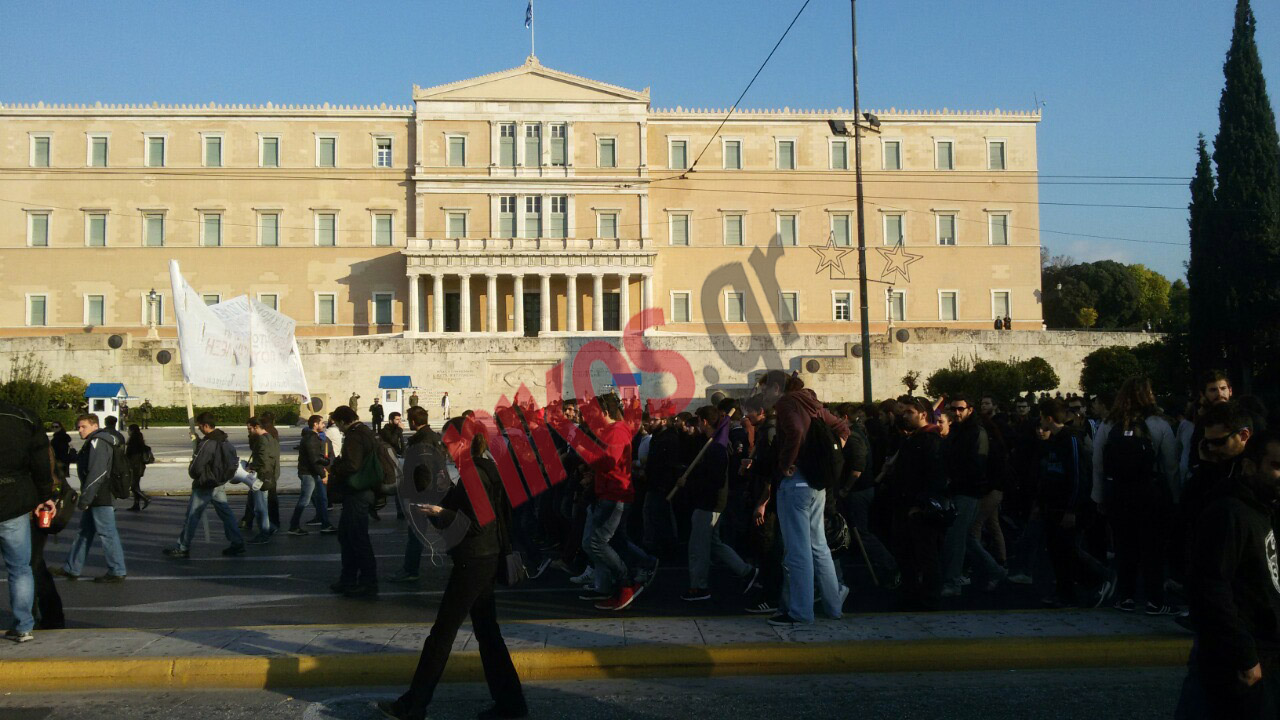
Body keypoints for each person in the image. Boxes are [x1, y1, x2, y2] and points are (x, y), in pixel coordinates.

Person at [378, 416, 526, 720]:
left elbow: (472, 523)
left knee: (442, 635)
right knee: (488, 633)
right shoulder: (484, 467)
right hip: (485, 556)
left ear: (462, 442)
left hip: (473, 561)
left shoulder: (474, 473)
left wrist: (439, 512)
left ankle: (414, 705)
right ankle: (512, 703)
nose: (445, 449)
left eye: (448, 443)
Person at [1175, 430, 1280, 718]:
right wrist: (1245, 658)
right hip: (1242, 663)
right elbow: (1210, 591)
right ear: (1249, 466)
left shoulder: (1265, 509)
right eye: (1275, 465)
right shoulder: (1229, 514)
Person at [759, 370, 848, 626]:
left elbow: (796, 431)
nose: (764, 394)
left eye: (765, 389)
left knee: (797, 551)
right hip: (816, 483)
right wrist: (824, 458)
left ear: (776, 388)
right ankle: (833, 607)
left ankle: (800, 612)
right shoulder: (812, 403)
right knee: (819, 546)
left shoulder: (787, 402)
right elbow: (843, 429)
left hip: (796, 483)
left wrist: (787, 462)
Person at [1093, 378, 1179, 615]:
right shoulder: (1159, 424)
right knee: (1153, 548)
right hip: (1150, 493)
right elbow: (1170, 465)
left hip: (1118, 493)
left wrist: (1099, 496)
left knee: (1124, 546)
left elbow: (1098, 464)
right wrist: (1175, 496)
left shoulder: (1109, 423)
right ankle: (1155, 600)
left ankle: (1126, 597)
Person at [578, 394, 658, 612]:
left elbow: (609, 462)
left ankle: (626, 582)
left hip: (614, 496)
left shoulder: (616, 431)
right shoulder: (611, 431)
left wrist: (583, 451)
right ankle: (609, 583)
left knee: (597, 543)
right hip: (607, 494)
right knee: (613, 541)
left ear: (604, 413)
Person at [682, 405, 758, 602]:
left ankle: (699, 587)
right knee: (714, 543)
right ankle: (746, 571)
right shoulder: (713, 444)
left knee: (698, 547)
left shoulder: (716, 448)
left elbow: (713, 480)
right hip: (713, 503)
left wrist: (688, 481)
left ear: (704, 422)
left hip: (708, 503)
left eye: (698, 421)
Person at [1036, 399, 1103, 608]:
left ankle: (1098, 578)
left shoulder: (1070, 439)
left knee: (1069, 550)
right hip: (1053, 504)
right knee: (1057, 550)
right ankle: (1065, 591)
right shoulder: (1054, 440)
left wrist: (1071, 509)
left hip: (1067, 506)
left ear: (1048, 418)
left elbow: (1077, 476)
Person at [883, 396, 948, 611]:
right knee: (906, 554)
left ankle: (930, 598)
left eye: (910, 412)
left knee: (925, 554)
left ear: (922, 414)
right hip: (904, 504)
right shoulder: (914, 438)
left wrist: (921, 505)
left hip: (919, 509)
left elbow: (934, 476)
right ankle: (911, 594)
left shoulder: (930, 440)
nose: (905, 415)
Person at [0, 398, 56, 643]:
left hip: (15, 497)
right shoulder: (24, 417)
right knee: (20, 568)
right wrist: (46, 495)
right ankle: (23, 625)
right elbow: (42, 463)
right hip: (15, 499)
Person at [941, 395, 1006, 596]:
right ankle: (996, 571)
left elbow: (977, 464)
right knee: (966, 538)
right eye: (954, 409)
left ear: (970, 409)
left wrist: (955, 481)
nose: (957, 412)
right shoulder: (959, 431)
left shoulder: (976, 432)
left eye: (961, 409)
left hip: (969, 491)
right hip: (961, 490)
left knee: (956, 537)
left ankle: (953, 583)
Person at [55, 414, 127, 583]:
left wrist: (86, 498)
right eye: (78, 426)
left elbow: (97, 472)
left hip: (100, 494)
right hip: (97, 493)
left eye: (83, 426)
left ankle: (117, 570)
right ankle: (72, 568)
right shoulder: (97, 440)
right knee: (84, 532)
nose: (79, 430)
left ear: (95, 426)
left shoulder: (97, 442)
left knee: (107, 533)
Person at [165, 413, 245, 558]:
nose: (199, 428)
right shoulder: (225, 441)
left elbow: (196, 466)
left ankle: (183, 547)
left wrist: (194, 473)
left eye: (200, 426)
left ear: (205, 426)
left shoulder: (207, 443)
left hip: (205, 484)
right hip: (219, 482)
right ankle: (237, 542)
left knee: (192, 516)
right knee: (226, 514)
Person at [389, 406, 444, 585]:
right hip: (431, 491)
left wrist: (419, 496)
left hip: (423, 494)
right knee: (438, 527)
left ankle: (411, 570)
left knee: (416, 533)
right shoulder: (432, 437)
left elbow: (425, 470)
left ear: (413, 421)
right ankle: (410, 568)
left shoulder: (423, 440)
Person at [329, 405, 379, 599]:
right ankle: (348, 578)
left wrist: (336, 469)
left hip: (358, 491)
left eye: (338, 424)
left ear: (342, 421)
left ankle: (367, 582)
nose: (339, 429)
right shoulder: (365, 431)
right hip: (363, 490)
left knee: (356, 538)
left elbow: (352, 464)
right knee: (348, 536)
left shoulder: (355, 435)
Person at [289, 415, 335, 535]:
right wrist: (323, 474)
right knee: (305, 500)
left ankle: (325, 523)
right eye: (322, 423)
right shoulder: (311, 438)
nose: (324, 425)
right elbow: (314, 459)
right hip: (309, 473)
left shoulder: (312, 437)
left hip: (311, 472)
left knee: (320, 499)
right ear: (315, 424)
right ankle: (293, 525)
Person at [244, 418, 280, 544]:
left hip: (261, 477)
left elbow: (263, 460)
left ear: (256, 426)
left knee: (260, 508)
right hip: (269, 476)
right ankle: (270, 527)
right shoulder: (271, 438)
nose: (249, 432)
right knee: (261, 505)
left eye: (250, 429)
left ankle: (264, 533)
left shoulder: (262, 440)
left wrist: (251, 467)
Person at [125, 424, 152, 511]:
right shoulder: (138, 439)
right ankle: (136, 505)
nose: (128, 432)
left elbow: (130, 455)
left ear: (132, 430)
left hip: (134, 467)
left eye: (129, 430)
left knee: (133, 486)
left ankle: (146, 498)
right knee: (136, 486)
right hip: (140, 466)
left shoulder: (133, 442)